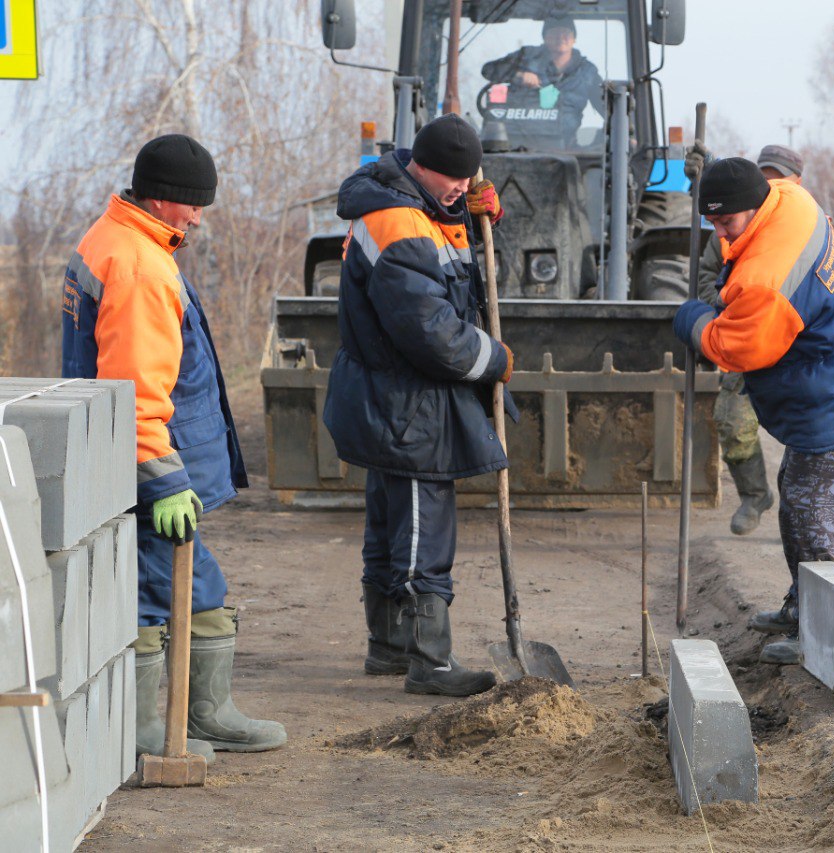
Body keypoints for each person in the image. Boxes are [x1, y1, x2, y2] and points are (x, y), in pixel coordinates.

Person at [61, 134, 286, 759]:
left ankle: (188, 716)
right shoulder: (139, 265)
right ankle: (149, 729)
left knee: (178, 582)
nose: (198, 218)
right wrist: (163, 481)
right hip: (143, 464)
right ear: (162, 199)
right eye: (193, 205)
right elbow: (136, 387)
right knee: (157, 589)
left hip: (119, 455)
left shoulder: (112, 237)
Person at [323, 114, 514, 697]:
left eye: (469, 179)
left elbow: (455, 279)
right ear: (423, 168)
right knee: (421, 530)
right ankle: (430, 660)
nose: (462, 187)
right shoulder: (397, 221)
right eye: (454, 180)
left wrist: (467, 219)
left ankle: (388, 645)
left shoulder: (415, 207)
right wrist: (494, 359)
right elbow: (431, 329)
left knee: (389, 523)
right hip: (407, 401)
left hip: (392, 396)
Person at [673, 157, 834, 665]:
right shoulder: (788, 198)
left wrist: (693, 320)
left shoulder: (766, 278)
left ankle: (823, 635)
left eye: (726, 221)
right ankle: (802, 605)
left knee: (810, 510)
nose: (719, 234)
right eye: (711, 222)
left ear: (754, 206)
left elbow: (734, 349)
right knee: (797, 493)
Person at [692, 144, 806, 535]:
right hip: (746, 340)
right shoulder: (728, 230)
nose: (772, 185)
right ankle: (755, 495)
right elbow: (706, 278)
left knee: (806, 439)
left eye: (780, 178)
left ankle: (800, 517)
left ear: (797, 182)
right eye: (765, 176)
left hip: (795, 349)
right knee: (732, 422)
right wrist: (729, 309)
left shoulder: (806, 224)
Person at [480, 16, 604, 148]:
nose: (560, 38)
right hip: (515, 148)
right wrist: (517, 75)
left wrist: (614, 138)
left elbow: (606, 107)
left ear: (574, 39)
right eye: (554, 33)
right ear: (545, 37)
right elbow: (488, 70)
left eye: (566, 33)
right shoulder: (526, 57)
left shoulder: (587, 72)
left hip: (567, 151)